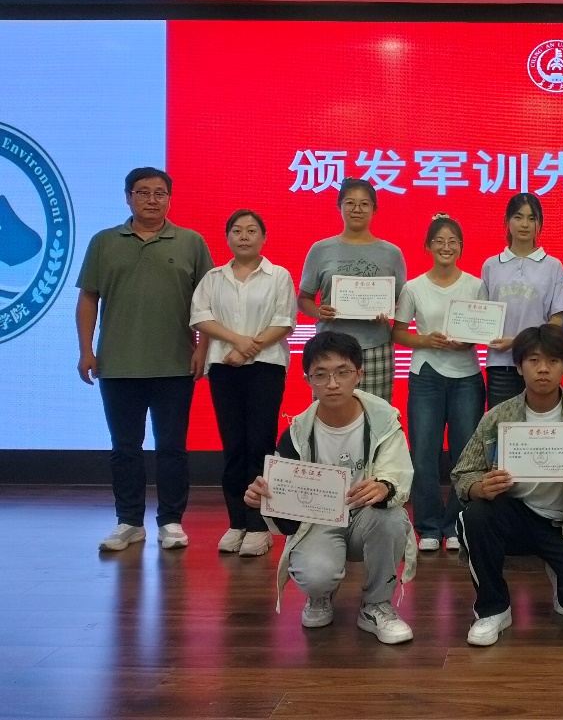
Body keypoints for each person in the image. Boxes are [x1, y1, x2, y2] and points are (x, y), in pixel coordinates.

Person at [451, 325, 563, 647]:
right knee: (476, 515)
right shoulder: (499, 416)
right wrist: (480, 488)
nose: (543, 369)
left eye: (553, 361)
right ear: (519, 366)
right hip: (513, 515)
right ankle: (493, 609)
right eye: (533, 360)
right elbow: (463, 474)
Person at [243, 331, 416, 643]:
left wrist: (384, 487)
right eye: (320, 375)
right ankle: (319, 596)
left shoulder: (384, 421)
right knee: (316, 576)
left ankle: (377, 604)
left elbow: (397, 474)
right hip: (317, 523)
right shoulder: (296, 432)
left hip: (366, 518)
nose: (332, 383)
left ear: (359, 374)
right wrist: (265, 499)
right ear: (307, 379)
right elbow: (287, 518)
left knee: (392, 518)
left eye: (342, 372)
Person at [76, 167, 214, 552]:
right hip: (117, 365)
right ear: (128, 197)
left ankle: (171, 521)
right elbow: (88, 298)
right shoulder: (104, 242)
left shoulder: (191, 242)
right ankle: (129, 522)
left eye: (159, 193)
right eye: (142, 192)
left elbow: (208, 303)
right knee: (124, 448)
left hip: (175, 365)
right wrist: (86, 350)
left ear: (170, 198)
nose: (151, 199)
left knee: (172, 448)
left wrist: (202, 348)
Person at [190, 209, 297, 557]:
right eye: (237, 231)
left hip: (266, 367)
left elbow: (284, 321)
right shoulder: (213, 278)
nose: (244, 236)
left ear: (264, 237)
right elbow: (200, 317)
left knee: (260, 445)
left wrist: (250, 348)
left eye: (252, 230)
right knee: (233, 446)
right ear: (227, 238)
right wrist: (237, 342)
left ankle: (259, 526)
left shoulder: (278, 275)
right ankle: (237, 522)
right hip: (224, 368)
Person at [393, 214, 487, 554]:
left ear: (461, 247)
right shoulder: (414, 287)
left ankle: (456, 525)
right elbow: (398, 332)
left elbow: (485, 327)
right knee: (424, 454)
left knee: (465, 456)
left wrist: (470, 340)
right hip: (426, 376)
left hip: (467, 377)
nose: (446, 247)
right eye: (439, 241)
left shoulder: (476, 285)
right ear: (428, 247)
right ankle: (429, 526)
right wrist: (425, 340)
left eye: (453, 242)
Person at [298, 177, 406, 401]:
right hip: (330, 349)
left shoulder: (392, 253)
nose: (357, 209)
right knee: (330, 414)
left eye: (364, 204)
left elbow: (402, 302)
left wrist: (387, 311)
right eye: (350, 203)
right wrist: (319, 311)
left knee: (377, 414)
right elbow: (303, 299)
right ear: (339, 206)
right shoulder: (320, 249)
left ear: (374, 209)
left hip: (376, 347)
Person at [481, 193, 563, 408]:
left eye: (532, 218)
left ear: (539, 223)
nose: (525, 224)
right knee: (502, 423)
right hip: (500, 363)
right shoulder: (491, 265)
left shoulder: (553, 266)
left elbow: (557, 319)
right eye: (518, 217)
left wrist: (518, 342)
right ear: (507, 221)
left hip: (540, 363)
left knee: (540, 422)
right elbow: (482, 314)